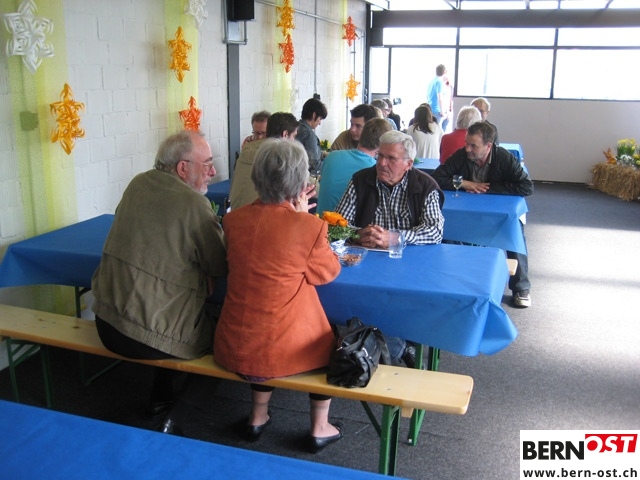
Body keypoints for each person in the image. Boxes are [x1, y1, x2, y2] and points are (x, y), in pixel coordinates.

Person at [91, 130, 228, 431]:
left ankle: (160, 397)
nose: (213, 172)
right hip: (145, 336)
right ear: (183, 168)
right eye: (207, 164)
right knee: (229, 342)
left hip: (105, 320)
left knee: (170, 311)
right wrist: (204, 272)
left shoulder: (138, 184)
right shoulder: (194, 204)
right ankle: (177, 417)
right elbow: (219, 263)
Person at [214, 138, 343, 453]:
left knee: (268, 306)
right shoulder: (308, 227)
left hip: (234, 344)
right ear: (301, 182)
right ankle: (319, 426)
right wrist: (304, 219)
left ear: (256, 176)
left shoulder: (232, 220)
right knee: (330, 334)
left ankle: (258, 415)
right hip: (280, 350)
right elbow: (327, 273)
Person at [431, 121, 533, 308]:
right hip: (467, 210)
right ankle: (448, 280)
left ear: (488, 146)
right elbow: (437, 178)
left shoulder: (504, 158)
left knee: (514, 231)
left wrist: (488, 188)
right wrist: (466, 184)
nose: (467, 149)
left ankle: (521, 287)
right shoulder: (461, 156)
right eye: (467, 143)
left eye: (473, 146)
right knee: (446, 225)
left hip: (497, 212)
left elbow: (526, 186)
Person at [336, 130, 444, 248]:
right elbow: (336, 224)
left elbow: (435, 231)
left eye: (391, 158)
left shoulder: (425, 186)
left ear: (408, 164)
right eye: (380, 155)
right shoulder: (360, 181)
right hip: (367, 253)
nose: (382, 163)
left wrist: (397, 238)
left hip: (409, 255)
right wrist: (356, 235)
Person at [316, 118, 392, 216]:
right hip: (344, 224)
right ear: (383, 145)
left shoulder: (331, 157)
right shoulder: (375, 170)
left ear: (362, 135)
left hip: (318, 220)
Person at [230, 112, 299, 210]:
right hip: (257, 215)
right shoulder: (278, 156)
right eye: (294, 137)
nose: (259, 137)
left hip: (236, 213)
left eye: (263, 133)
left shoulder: (245, 151)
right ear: (285, 134)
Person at [295, 98, 327, 173]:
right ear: (314, 115)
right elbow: (314, 165)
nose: (320, 123)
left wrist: (323, 154)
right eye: (320, 118)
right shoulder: (309, 135)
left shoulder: (296, 128)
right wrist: (330, 164)